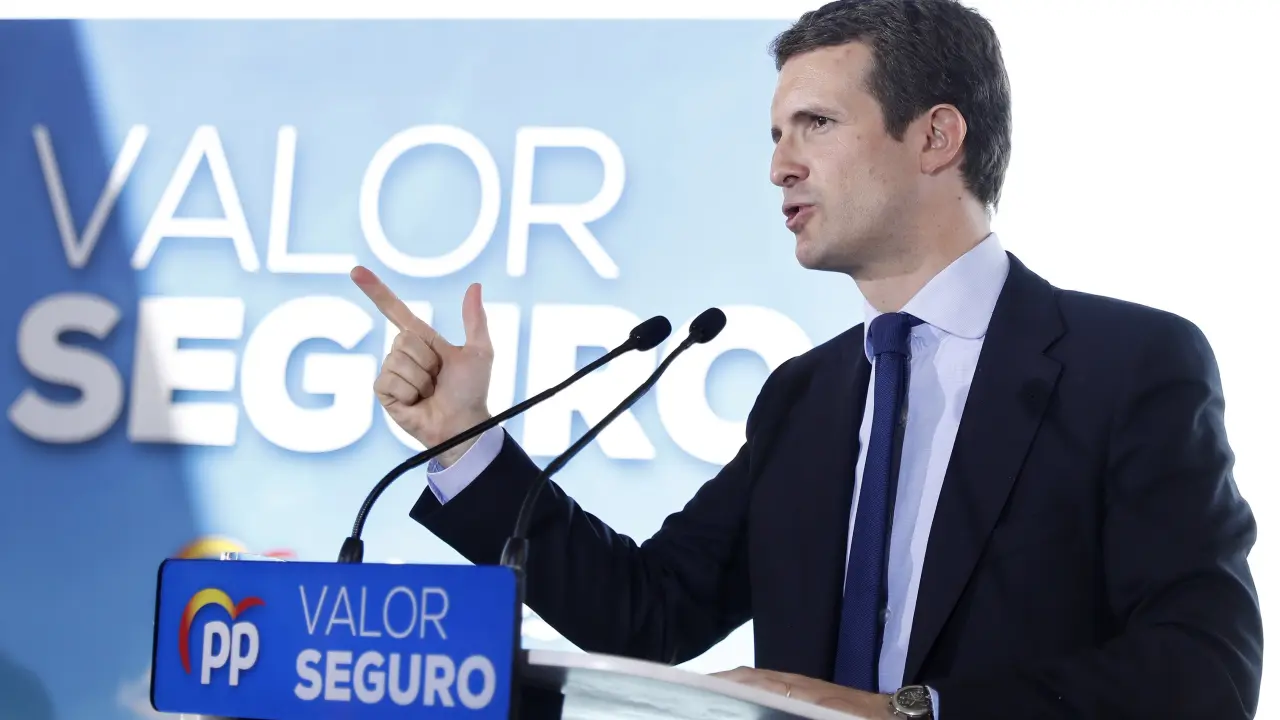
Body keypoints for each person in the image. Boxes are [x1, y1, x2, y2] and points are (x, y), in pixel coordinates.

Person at [351, 0, 1264, 717]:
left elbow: (1203, 668)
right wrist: (462, 438)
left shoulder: (1128, 364)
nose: (780, 167)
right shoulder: (803, 396)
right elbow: (649, 613)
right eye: (776, 135)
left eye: (815, 124)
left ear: (936, 137)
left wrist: (910, 713)